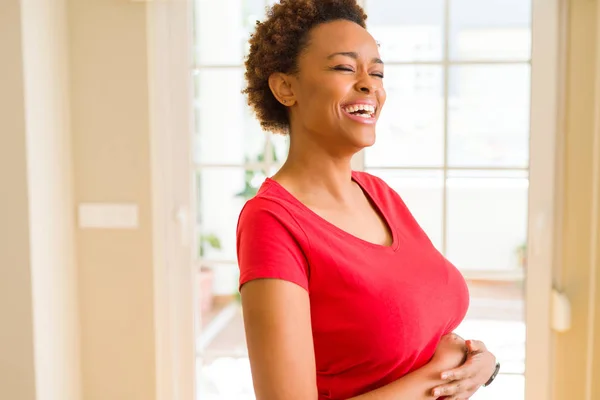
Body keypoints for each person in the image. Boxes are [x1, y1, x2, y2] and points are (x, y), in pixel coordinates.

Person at [236, 1, 499, 399]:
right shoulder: (272, 222)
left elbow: (420, 331)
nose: (369, 84)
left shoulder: (378, 194)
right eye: (344, 68)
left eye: (376, 72)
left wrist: (481, 363)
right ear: (285, 87)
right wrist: (439, 375)